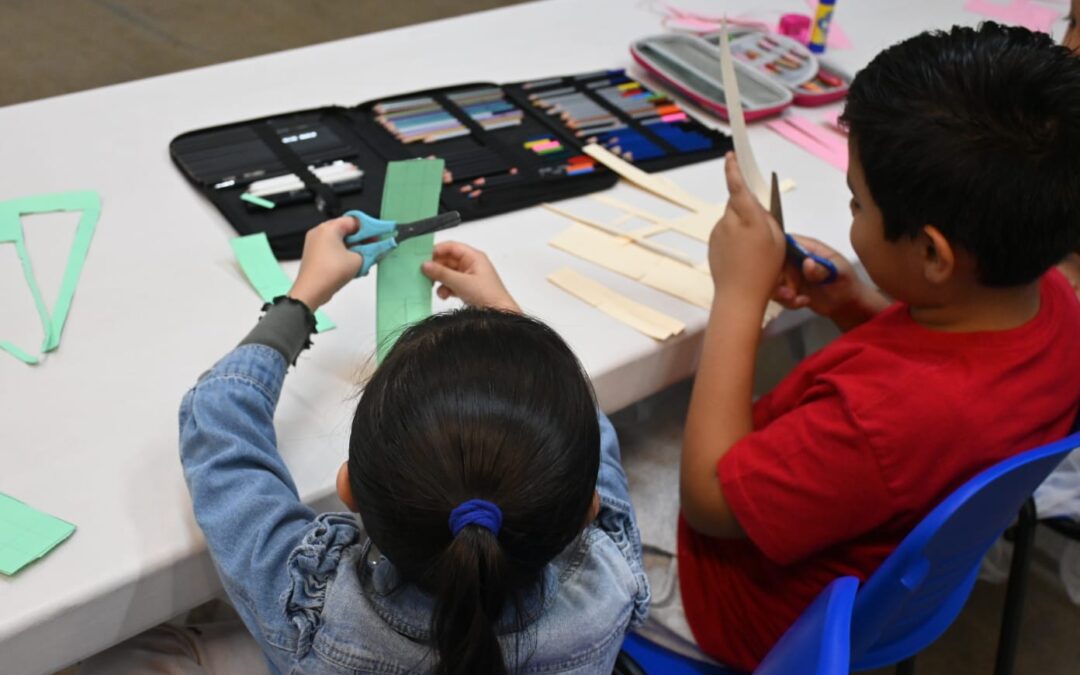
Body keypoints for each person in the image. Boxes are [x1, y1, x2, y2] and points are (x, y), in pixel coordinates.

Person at [662, 23, 1080, 670]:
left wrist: (738, 297)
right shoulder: (1053, 299)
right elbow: (948, 385)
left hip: (739, 607)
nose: (850, 215)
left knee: (587, 435)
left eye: (857, 203)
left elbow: (710, 503)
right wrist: (857, 305)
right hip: (872, 579)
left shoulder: (883, 418)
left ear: (933, 254)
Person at [83, 220, 648, 674]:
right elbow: (583, 439)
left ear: (347, 487)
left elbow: (217, 420)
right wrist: (506, 323)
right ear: (588, 509)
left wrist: (301, 298)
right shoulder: (609, 583)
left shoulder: (309, 602)